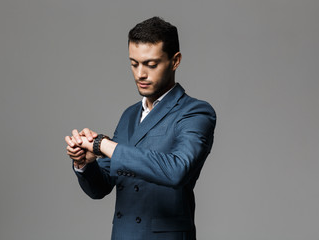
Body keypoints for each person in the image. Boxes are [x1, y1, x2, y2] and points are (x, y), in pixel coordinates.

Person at [65, 16, 216, 240]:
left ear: (175, 61)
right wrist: (85, 163)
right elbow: (100, 188)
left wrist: (102, 144)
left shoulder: (195, 112)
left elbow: (176, 170)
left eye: (151, 64)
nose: (140, 74)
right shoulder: (129, 114)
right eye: (134, 64)